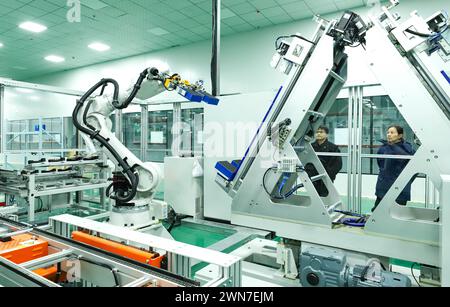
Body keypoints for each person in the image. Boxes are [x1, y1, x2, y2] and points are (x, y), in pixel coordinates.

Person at [371, 125, 415, 212]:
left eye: (392, 132)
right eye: (388, 132)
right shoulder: (383, 149)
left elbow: (414, 167)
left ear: (400, 135)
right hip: (383, 185)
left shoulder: (408, 149)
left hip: (400, 187)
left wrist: (407, 180)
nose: (389, 135)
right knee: (377, 212)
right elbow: (381, 164)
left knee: (397, 214)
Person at [305, 126, 343, 197]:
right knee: (314, 197)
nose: (318, 134)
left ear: (327, 134)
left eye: (321, 132)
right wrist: (309, 173)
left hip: (326, 178)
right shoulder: (310, 147)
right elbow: (306, 161)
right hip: (313, 177)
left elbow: (337, 165)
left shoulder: (333, 148)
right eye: (317, 132)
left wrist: (328, 175)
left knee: (326, 197)